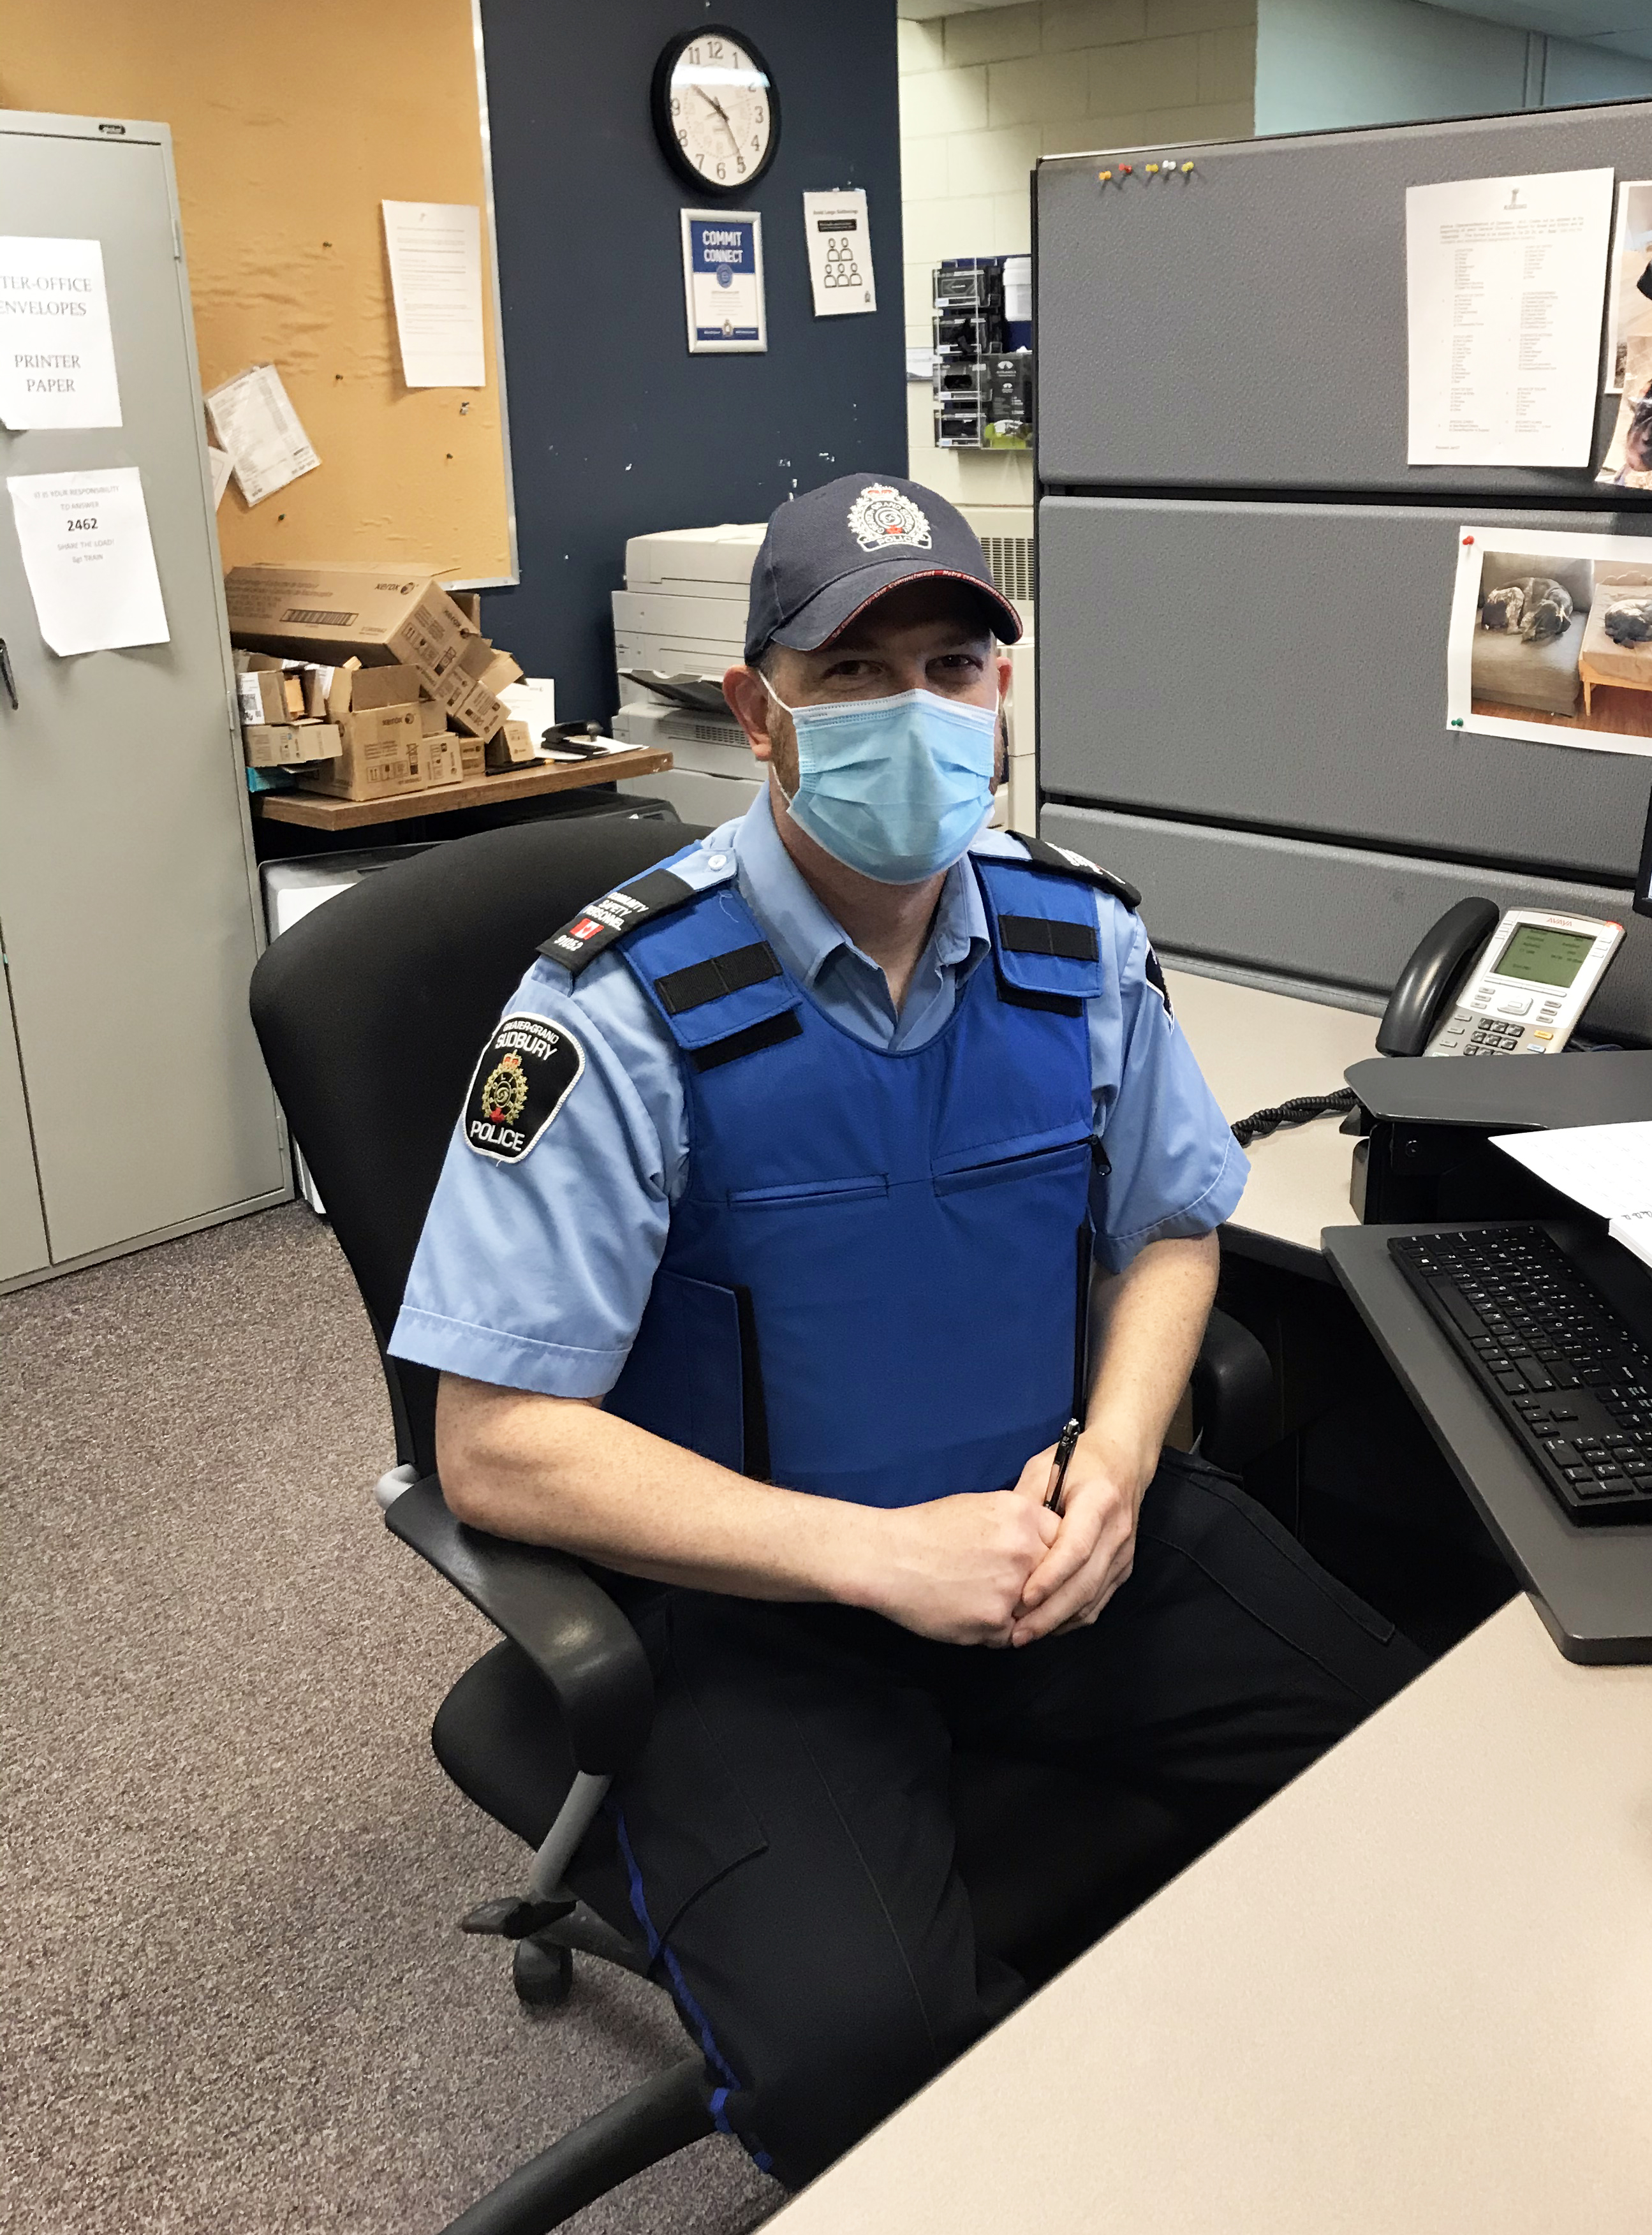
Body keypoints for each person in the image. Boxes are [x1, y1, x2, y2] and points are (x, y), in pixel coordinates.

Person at [389, 473, 1420, 2188]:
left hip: (1059, 1540)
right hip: (765, 1612)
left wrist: (1117, 1462)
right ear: (757, 710)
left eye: (952, 667)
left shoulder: (1078, 938)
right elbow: (491, 1442)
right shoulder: (617, 1008)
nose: (914, 714)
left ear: (1001, 699)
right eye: (853, 676)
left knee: (1406, 1773)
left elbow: (1169, 1232)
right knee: (863, 2063)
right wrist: (874, 1560)